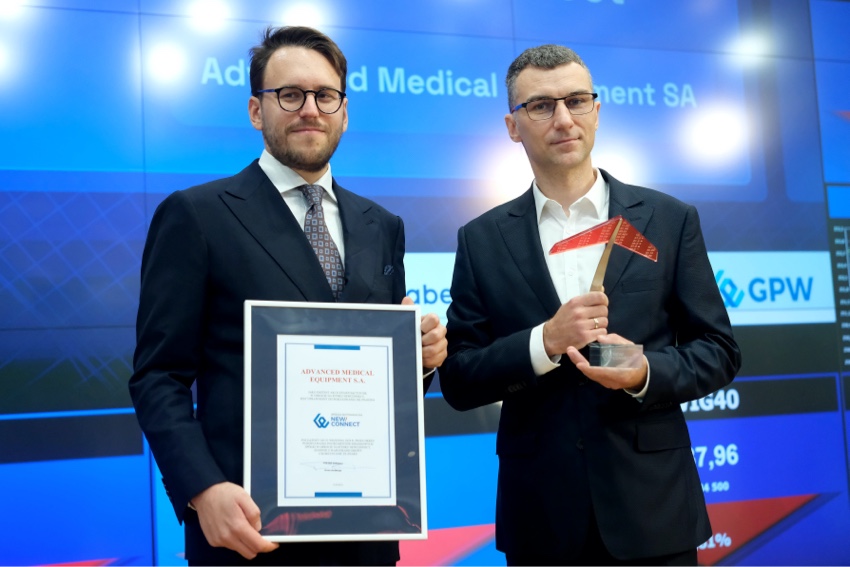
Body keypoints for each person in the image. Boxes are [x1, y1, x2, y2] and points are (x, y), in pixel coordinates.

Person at [129, 26, 447, 566]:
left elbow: (383, 387)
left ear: (344, 112)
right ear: (257, 110)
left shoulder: (382, 224)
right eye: (290, 95)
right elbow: (158, 375)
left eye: (325, 96)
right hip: (249, 532)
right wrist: (203, 489)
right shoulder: (197, 215)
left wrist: (417, 362)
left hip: (366, 533)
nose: (310, 110)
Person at [439, 44, 741, 566]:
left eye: (576, 101)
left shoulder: (669, 219)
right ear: (513, 126)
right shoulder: (481, 239)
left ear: (596, 111)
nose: (563, 119)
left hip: (654, 511)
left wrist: (644, 371)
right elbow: (460, 379)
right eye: (541, 106)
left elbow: (719, 350)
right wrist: (544, 342)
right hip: (542, 518)